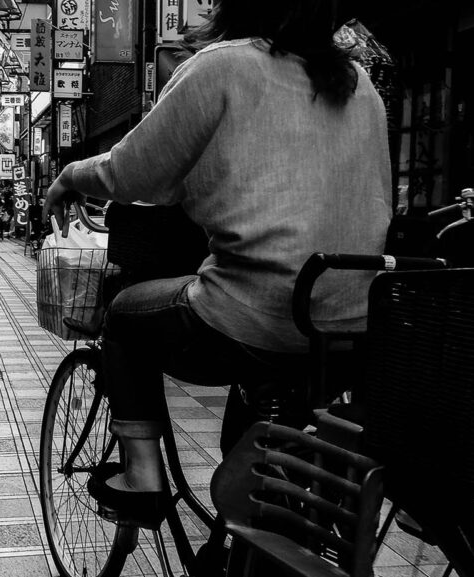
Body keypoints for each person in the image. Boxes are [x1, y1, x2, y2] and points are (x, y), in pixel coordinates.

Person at [44, 0, 391, 527]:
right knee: (256, 444)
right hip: (347, 326)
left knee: (124, 316)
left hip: (257, 313)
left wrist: (71, 175)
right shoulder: (359, 84)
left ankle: (141, 476)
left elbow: (133, 172)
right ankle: (239, 542)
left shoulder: (223, 66)